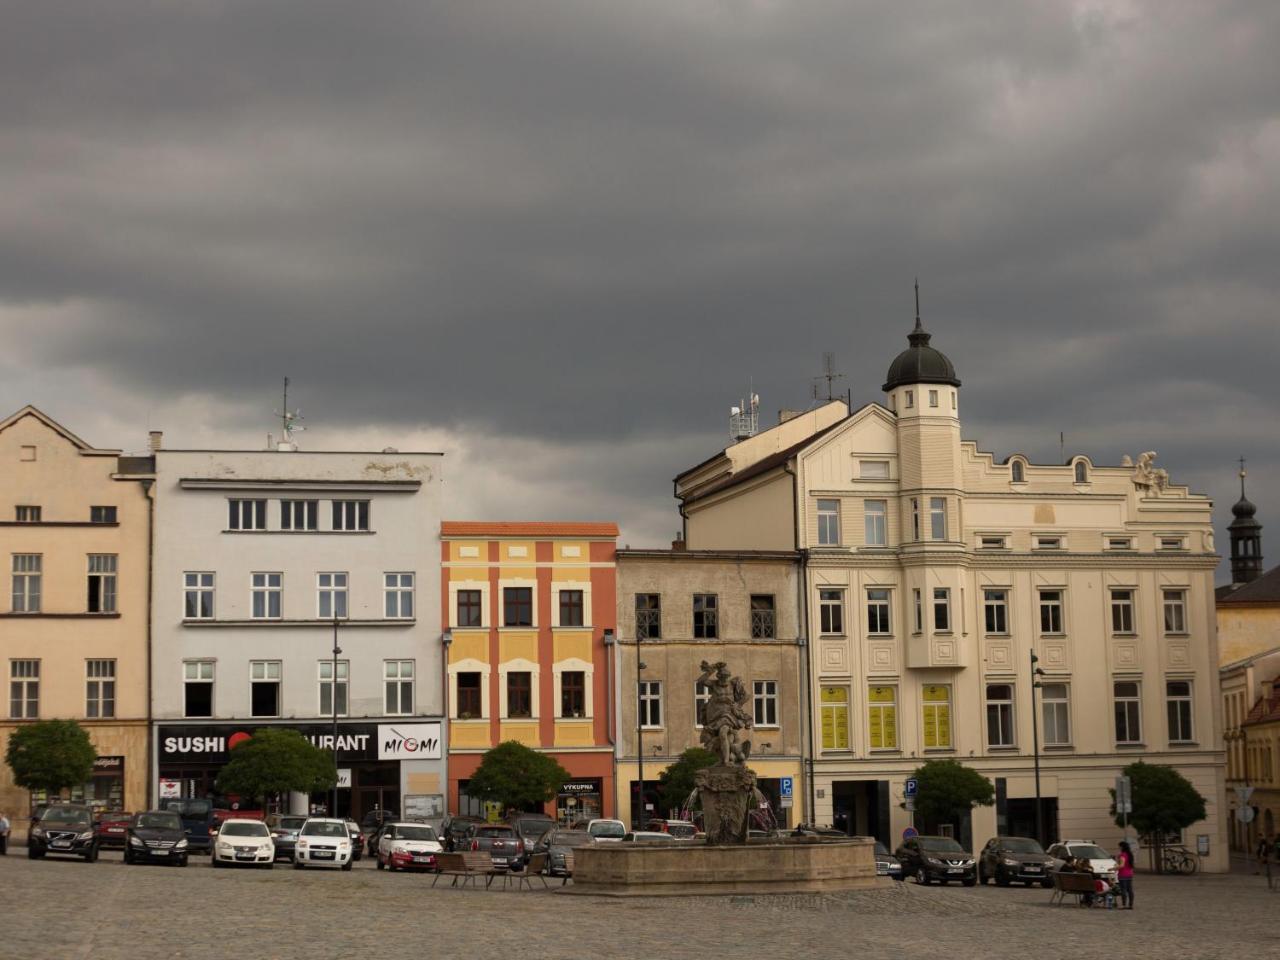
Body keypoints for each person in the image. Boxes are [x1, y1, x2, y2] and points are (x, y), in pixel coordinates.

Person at [1116, 840, 1135, 910]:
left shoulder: (1123, 855)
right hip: (1129, 874)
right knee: (1130, 890)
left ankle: (1123, 905)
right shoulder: (1130, 854)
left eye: (1119, 846)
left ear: (1122, 847)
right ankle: (1130, 905)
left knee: (1123, 890)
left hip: (1123, 875)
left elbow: (1122, 865)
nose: (1118, 848)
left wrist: (1113, 868)